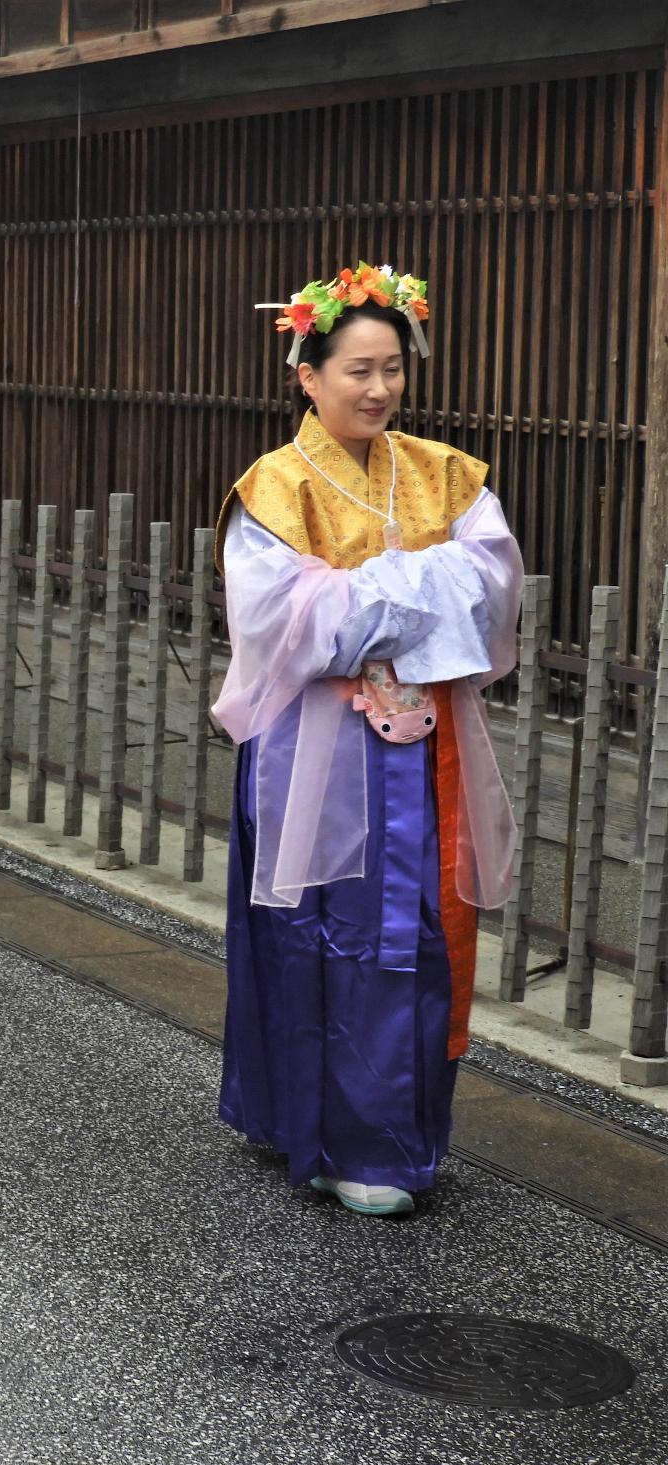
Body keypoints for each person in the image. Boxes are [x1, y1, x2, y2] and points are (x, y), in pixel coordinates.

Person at [214, 264, 524, 1217]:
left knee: (415, 934)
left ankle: (388, 1139)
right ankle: (317, 1128)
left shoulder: (445, 471)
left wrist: (369, 591)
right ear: (307, 375)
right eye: (356, 369)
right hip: (315, 747)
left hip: (423, 747)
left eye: (391, 368)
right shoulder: (273, 486)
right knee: (317, 927)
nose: (379, 388)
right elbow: (285, 621)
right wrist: (417, 583)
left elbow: (493, 584)